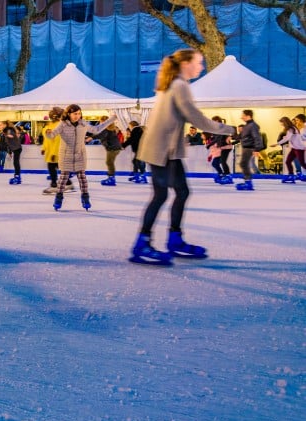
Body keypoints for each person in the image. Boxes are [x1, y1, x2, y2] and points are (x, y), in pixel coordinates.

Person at [130, 48, 235, 266]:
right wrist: (230, 129)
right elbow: (196, 118)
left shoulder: (174, 84)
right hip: (160, 150)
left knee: (182, 191)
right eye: (198, 62)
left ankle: (175, 239)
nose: (201, 67)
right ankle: (142, 243)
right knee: (160, 196)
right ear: (185, 63)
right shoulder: (179, 85)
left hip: (168, 150)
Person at [45, 104, 116, 210]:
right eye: (74, 114)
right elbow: (52, 135)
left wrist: (111, 119)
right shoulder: (63, 124)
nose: (77, 116)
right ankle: (59, 198)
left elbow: (96, 129)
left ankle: (85, 197)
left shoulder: (83, 124)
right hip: (65, 155)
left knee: (82, 178)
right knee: (63, 178)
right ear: (68, 114)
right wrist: (48, 132)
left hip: (80, 154)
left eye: (79, 113)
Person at [41, 106, 73, 194]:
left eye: (53, 116)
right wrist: (43, 148)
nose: (52, 117)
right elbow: (46, 139)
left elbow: (59, 141)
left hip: (57, 153)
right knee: (58, 168)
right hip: (51, 152)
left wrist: (55, 154)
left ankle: (54, 185)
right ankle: (67, 183)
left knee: (53, 168)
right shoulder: (49, 125)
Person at [234, 110, 264, 191]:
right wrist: (232, 136)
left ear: (248, 116)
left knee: (243, 164)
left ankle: (248, 182)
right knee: (243, 164)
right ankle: (247, 181)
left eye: (243, 115)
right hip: (246, 147)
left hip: (250, 148)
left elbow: (257, 137)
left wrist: (257, 149)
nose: (241, 117)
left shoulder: (252, 125)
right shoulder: (247, 126)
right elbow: (240, 136)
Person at [276, 115, 305, 183]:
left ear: (285, 122)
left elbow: (287, 138)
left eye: (282, 123)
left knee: (302, 163)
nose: (281, 124)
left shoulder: (291, 129)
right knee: (288, 161)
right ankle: (291, 175)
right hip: (294, 148)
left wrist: (277, 144)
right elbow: (289, 137)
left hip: (299, 148)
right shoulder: (292, 128)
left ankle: (291, 176)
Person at [95, 115, 123, 186]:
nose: (100, 122)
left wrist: (90, 137)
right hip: (115, 148)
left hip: (112, 148)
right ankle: (111, 176)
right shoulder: (111, 128)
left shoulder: (106, 129)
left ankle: (111, 178)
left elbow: (100, 136)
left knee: (109, 162)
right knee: (110, 162)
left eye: (101, 121)